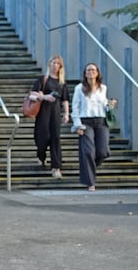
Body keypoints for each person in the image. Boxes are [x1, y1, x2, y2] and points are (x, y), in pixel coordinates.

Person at [71, 62, 117, 192]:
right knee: (88, 152)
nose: (90, 72)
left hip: (101, 121)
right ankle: (90, 182)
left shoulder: (103, 88)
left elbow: (104, 105)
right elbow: (75, 107)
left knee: (103, 151)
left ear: (97, 73)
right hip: (85, 122)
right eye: (88, 70)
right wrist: (77, 125)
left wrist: (110, 105)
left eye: (93, 70)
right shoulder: (79, 88)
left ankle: (89, 167)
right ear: (85, 73)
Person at [29, 55, 70, 179]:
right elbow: (31, 94)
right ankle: (41, 156)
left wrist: (66, 113)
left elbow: (65, 99)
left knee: (56, 138)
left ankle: (56, 167)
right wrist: (45, 97)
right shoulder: (43, 80)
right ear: (49, 64)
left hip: (55, 113)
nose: (55, 65)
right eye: (53, 62)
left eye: (58, 63)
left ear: (60, 66)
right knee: (42, 137)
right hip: (43, 113)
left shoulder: (62, 83)